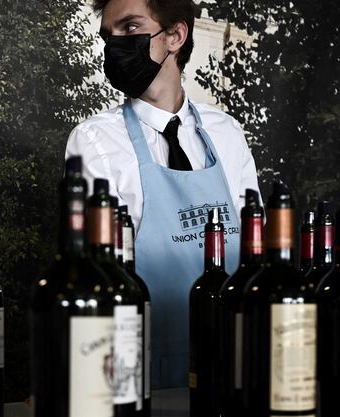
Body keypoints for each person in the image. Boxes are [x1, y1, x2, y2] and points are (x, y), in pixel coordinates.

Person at [66, 0, 261, 388]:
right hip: (144, 369)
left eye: (130, 28)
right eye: (109, 35)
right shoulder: (94, 141)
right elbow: (95, 276)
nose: (115, 44)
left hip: (236, 365)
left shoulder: (228, 135)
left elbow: (257, 256)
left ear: (175, 35)